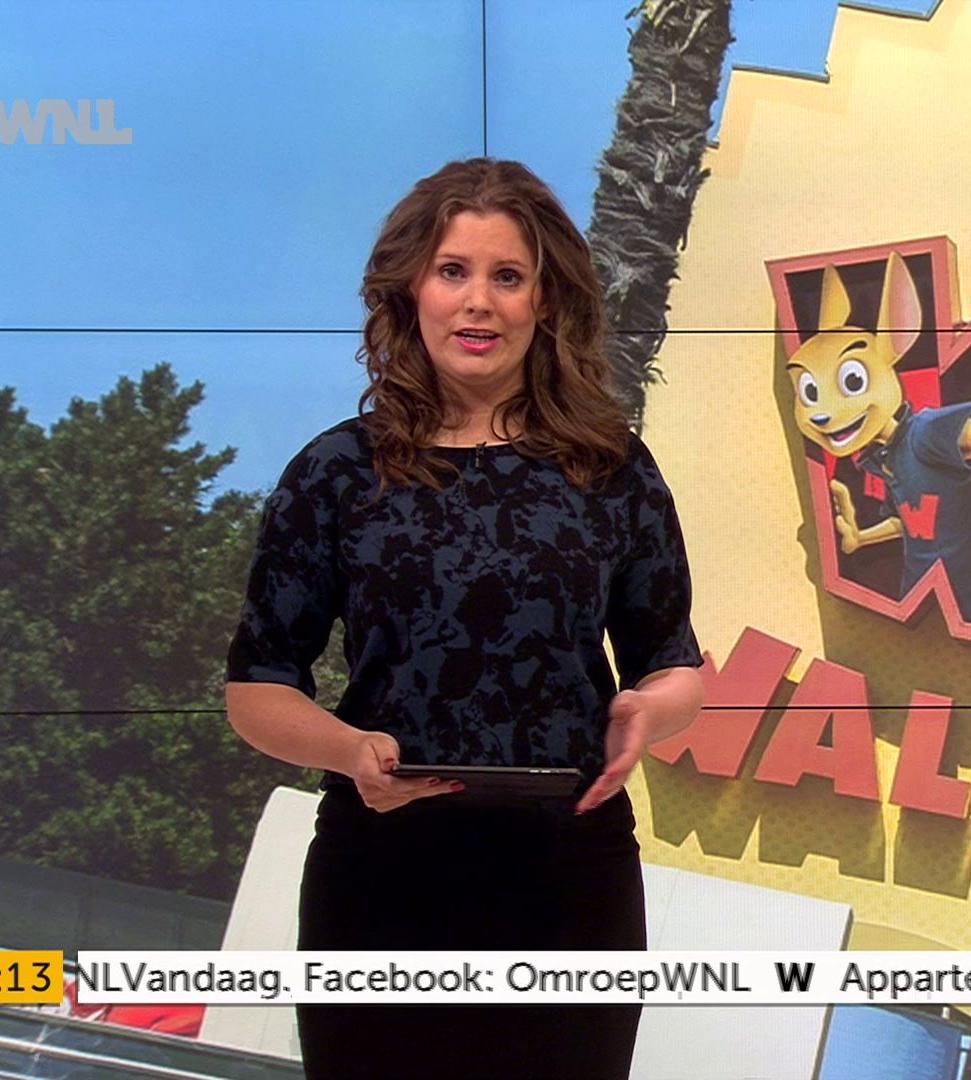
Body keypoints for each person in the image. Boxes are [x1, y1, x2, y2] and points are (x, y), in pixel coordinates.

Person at [222, 158, 705, 1080]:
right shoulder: (336, 472)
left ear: (545, 301)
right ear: (411, 288)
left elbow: (674, 663)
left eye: (507, 276)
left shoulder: (612, 470)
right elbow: (257, 689)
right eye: (453, 271)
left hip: (570, 879)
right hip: (382, 875)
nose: (478, 302)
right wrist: (349, 751)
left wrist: (649, 711)